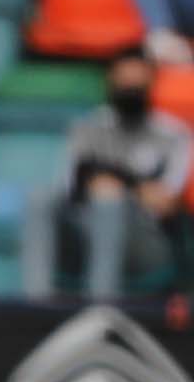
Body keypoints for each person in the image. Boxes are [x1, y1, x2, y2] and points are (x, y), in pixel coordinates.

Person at [55, 50, 193, 302]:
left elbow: (164, 202)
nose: (130, 89)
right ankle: (36, 307)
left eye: (137, 83)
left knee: (109, 199)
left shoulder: (174, 135)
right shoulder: (87, 128)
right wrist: (137, 187)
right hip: (84, 229)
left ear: (151, 83)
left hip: (146, 241)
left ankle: (100, 305)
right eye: (124, 81)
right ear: (110, 82)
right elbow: (68, 189)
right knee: (39, 200)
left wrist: (117, 186)